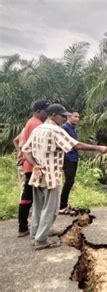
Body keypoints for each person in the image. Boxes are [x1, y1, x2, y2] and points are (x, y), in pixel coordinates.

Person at [22, 104, 107, 250]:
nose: (65, 118)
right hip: (50, 176)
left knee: (38, 208)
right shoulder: (55, 130)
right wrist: (98, 148)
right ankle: (41, 240)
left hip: (38, 175)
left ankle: (36, 235)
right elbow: (75, 145)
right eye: (63, 116)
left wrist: (35, 165)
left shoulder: (38, 129)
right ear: (54, 115)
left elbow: (26, 151)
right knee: (51, 208)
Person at [17, 100, 49, 238]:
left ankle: (26, 226)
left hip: (30, 165)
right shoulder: (37, 124)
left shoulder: (31, 122)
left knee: (30, 197)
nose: (47, 114)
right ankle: (23, 227)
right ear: (38, 111)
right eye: (46, 111)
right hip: (33, 166)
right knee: (31, 197)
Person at [59, 111, 80, 215]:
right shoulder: (64, 128)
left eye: (78, 117)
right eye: (75, 116)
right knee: (69, 181)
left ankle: (63, 204)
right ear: (68, 116)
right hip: (67, 158)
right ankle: (62, 206)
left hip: (74, 158)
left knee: (70, 181)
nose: (77, 119)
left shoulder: (73, 128)